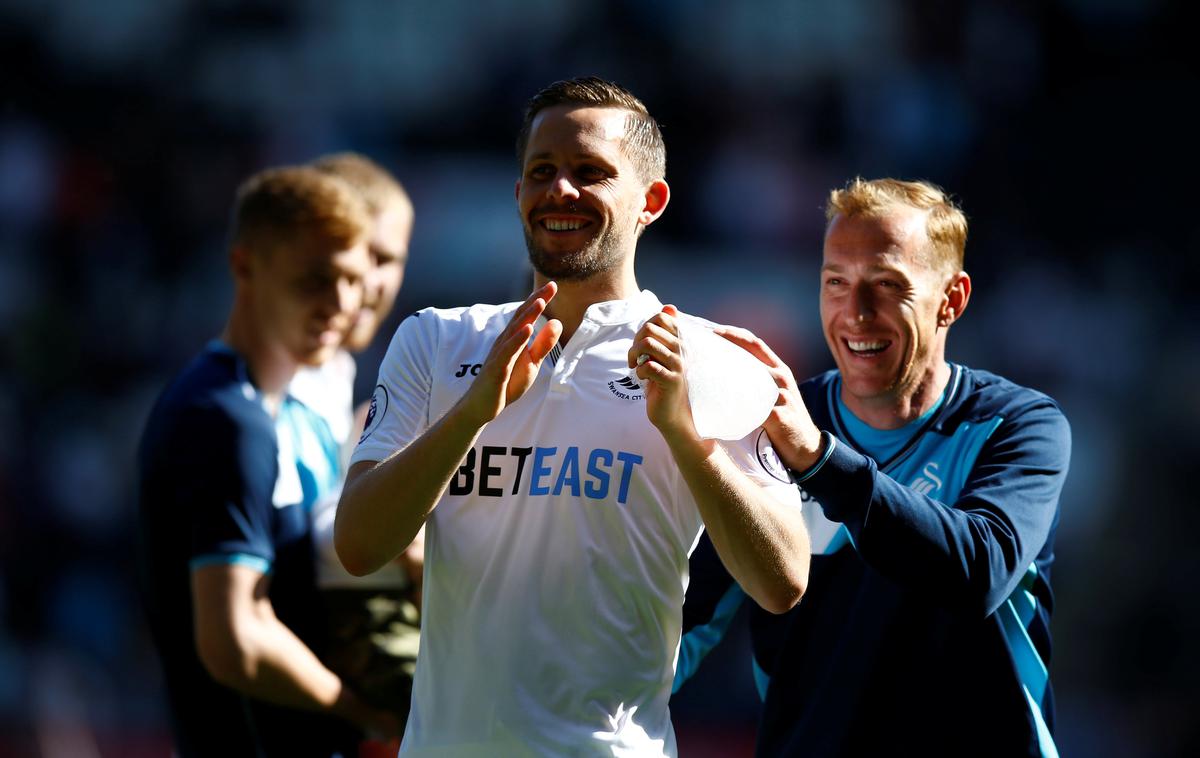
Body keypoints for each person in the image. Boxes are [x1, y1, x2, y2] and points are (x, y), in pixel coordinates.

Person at [334, 77, 810, 756]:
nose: (561, 191)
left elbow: (783, 581)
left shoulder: (707, 359)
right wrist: (472, 414)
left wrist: (683, 434)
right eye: (542, 172)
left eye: (591, 173)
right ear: (519, 193)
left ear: (651, 201)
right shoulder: (437, 342)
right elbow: (359, 545)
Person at [678, 178, 1071, 757]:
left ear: (952, 300)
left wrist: (818, 459)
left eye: (887, 286)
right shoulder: (766, 430)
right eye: (836, 282)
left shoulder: (1016, 425)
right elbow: (682, 624)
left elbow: (977, 573)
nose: (856, 314)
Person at [137, 165, 399, 757]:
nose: (341, 302)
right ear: (244, 266)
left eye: (353, 279)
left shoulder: (282, 413)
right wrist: (360, 709)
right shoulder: (225, 416)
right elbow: (237, 638)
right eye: (315, 279)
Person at [290, 152, 422, 736]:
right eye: (352, 255)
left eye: (385, 259)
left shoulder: (339, 378)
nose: (366, 282)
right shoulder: (255, 392)